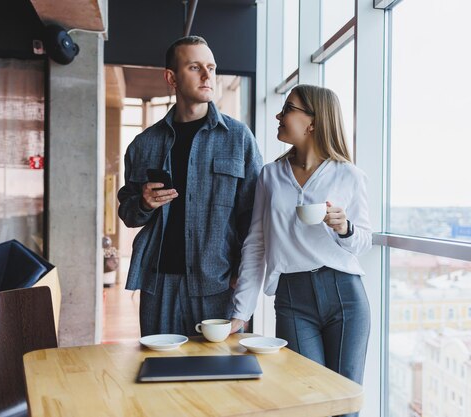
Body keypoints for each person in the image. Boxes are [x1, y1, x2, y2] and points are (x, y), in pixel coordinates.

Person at [230, 85, 371, 417]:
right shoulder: (270, 176)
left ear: (312, 122)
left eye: (288, 109)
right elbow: (256, 244)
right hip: (293, 299)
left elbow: (363, 241)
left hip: (345, 295)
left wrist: (344, 228)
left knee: (344, 406)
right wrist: (241, 312)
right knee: (305, 402)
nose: (279, 116)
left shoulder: (349, 175)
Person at [118, 36, 263, 337]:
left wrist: (242, 282)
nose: (208, 76)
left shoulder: (239, 139)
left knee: (220, 377)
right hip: (158, 286)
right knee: (159, 375)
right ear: (171, 77)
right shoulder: (143, 145)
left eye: (211, 67)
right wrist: (143, 203)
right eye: (195, 67)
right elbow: (128, 213)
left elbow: (255, 218)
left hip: (218, 285)